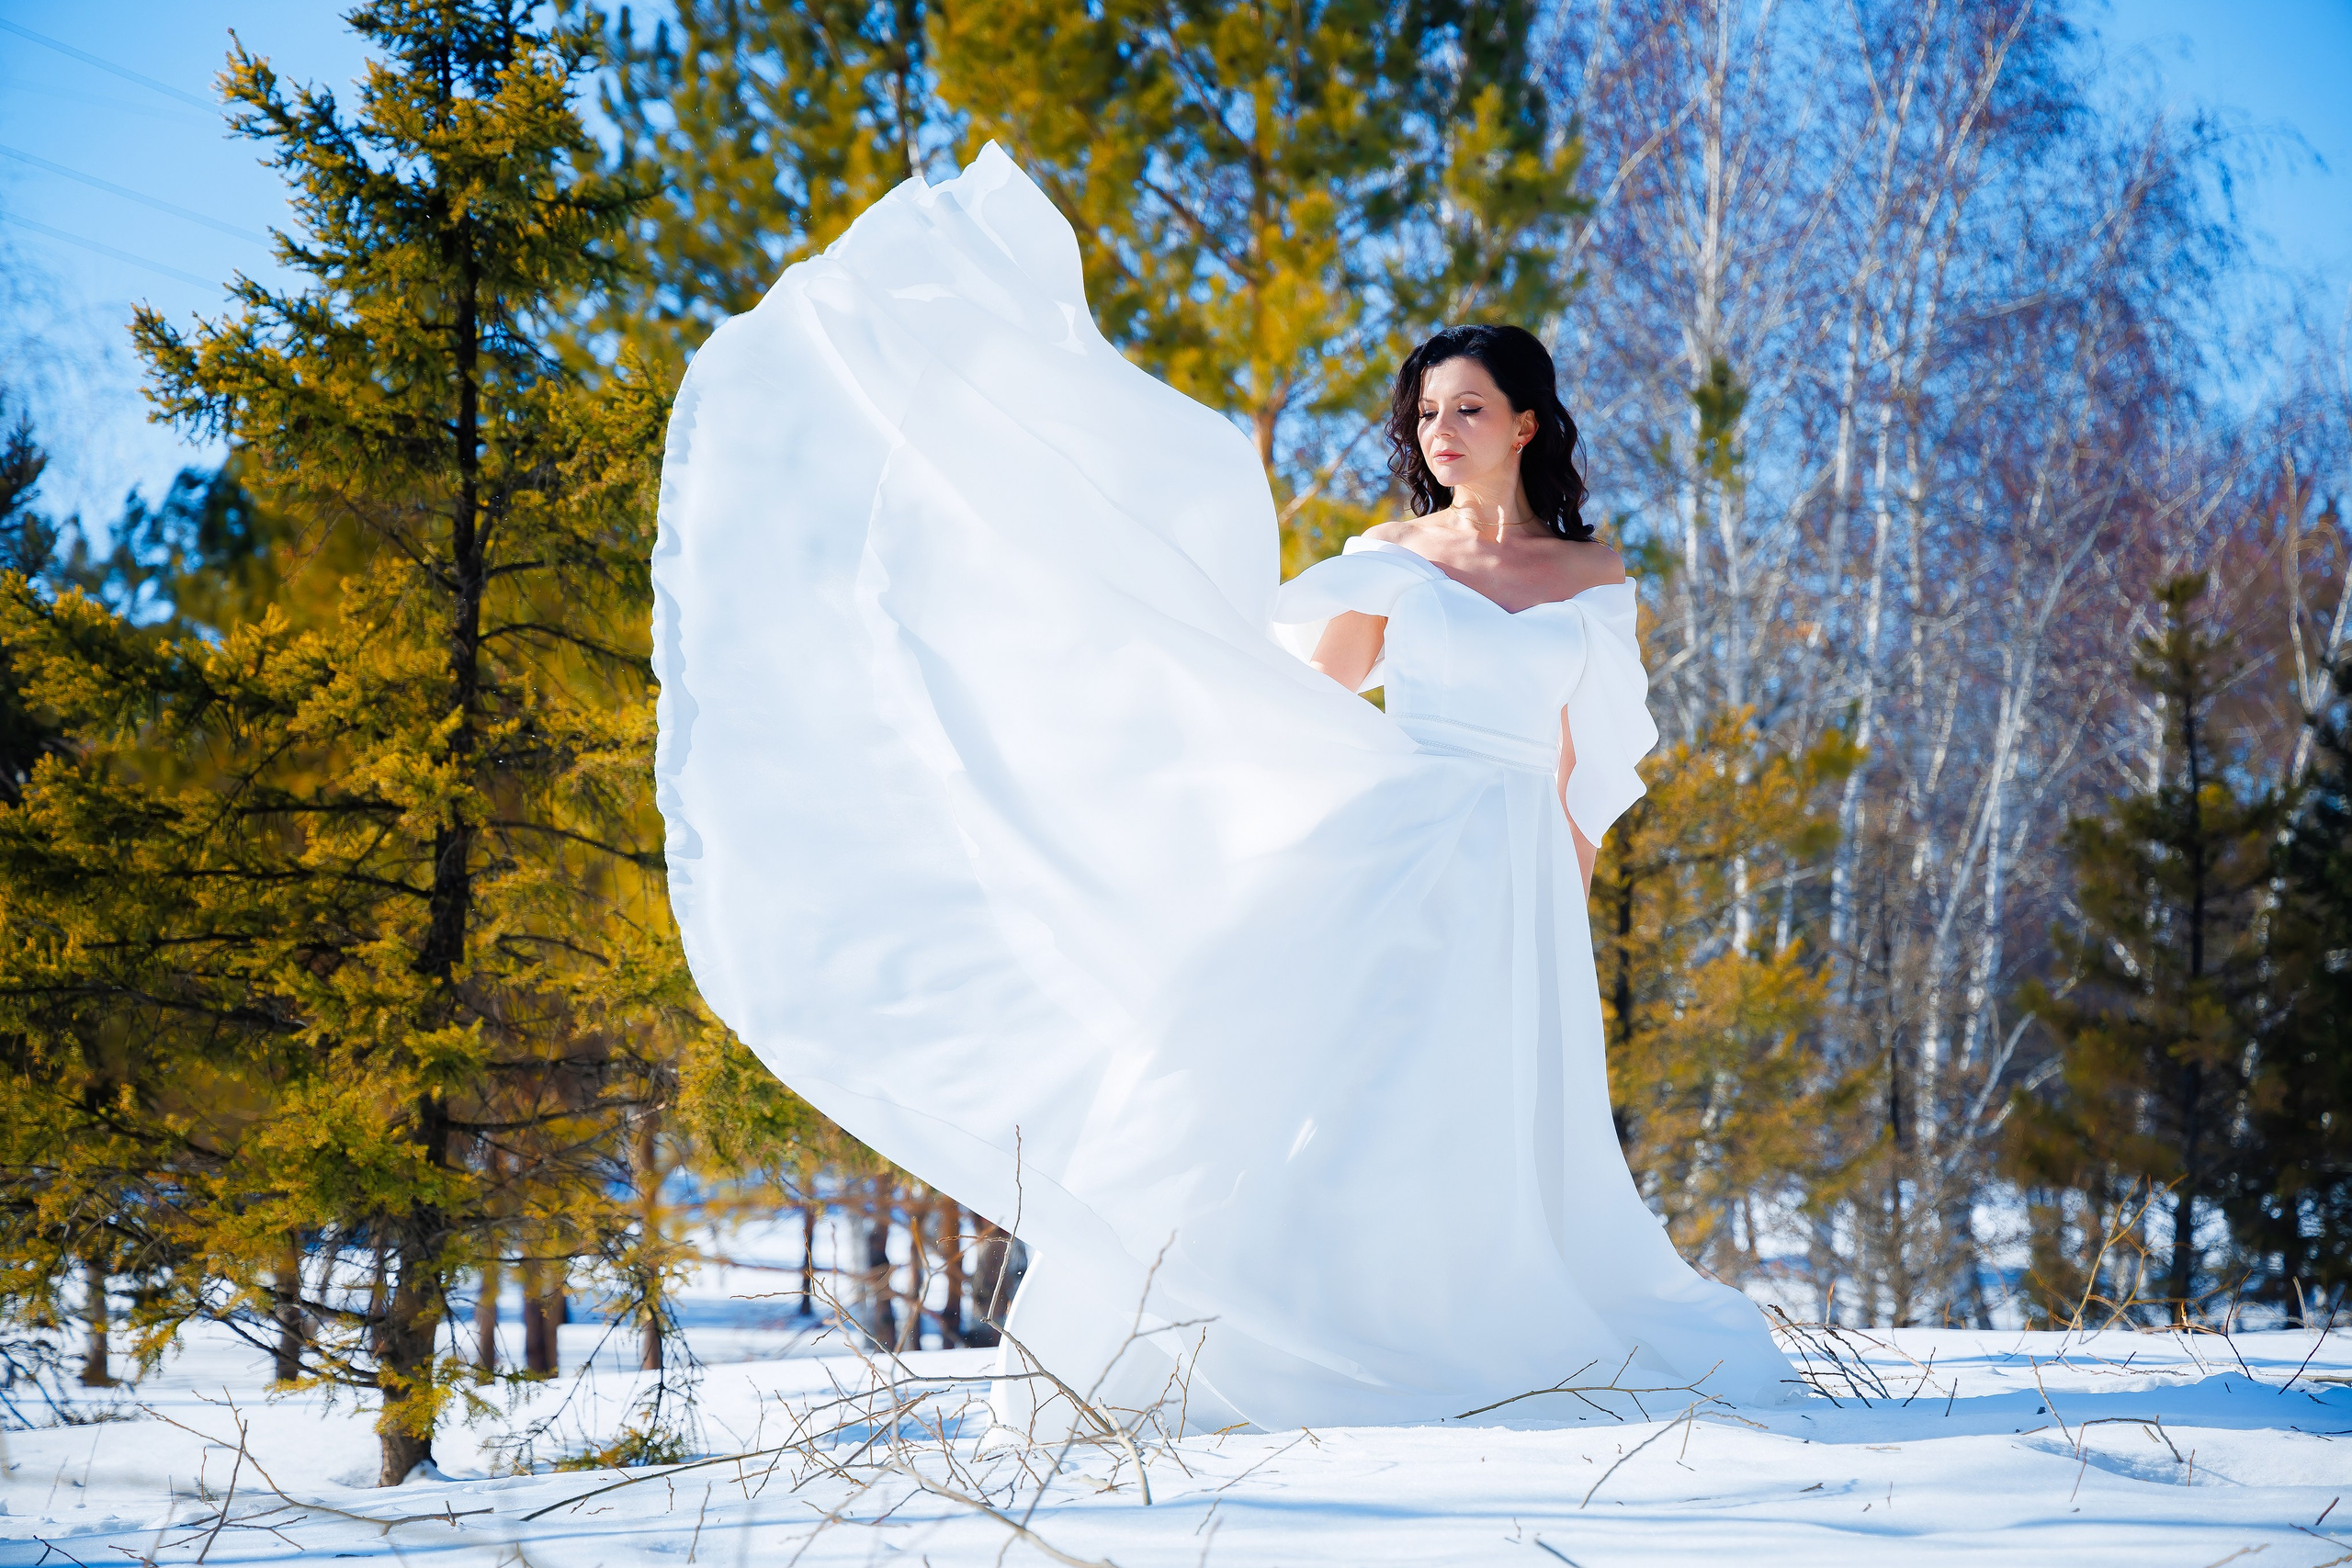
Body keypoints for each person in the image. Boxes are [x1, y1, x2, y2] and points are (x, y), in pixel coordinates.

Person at [651, 144, 1797, 1435]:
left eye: (1467, 408)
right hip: (1401, 851)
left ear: (1527, 423)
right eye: (1426, 413)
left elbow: (1591, 769)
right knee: (1357, 1096)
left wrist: (1559, 920)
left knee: (1486, 1124)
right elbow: (1306, 701)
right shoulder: (1389, 558)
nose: (1440, 430)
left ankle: (1472, 1332)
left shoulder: (1592, 578)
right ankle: (1300, 1339)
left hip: (1519, 877)